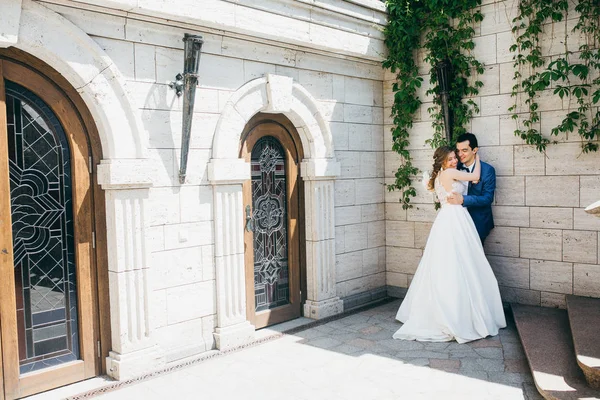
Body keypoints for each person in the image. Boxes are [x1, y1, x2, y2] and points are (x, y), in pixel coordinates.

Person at [392, 146, 506, 343]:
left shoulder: (439, 176)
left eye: (455, 157)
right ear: (443, 161)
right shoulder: (451, 172)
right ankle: (457, 313)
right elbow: (476, 175)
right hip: (455, 217)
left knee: (449, 261)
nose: (455, 161)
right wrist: (476, 156)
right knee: (460, 260)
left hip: (450, 216)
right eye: (451, 158)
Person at [447, 133, 495, 245]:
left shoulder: (488, 170)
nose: (460, 154)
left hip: (478, 222)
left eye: (464, 150)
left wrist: (463, 199)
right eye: (458, 151)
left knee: (474, 260)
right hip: (457, 222)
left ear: (474, 150)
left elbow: (488, 198)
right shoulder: (454, 168)